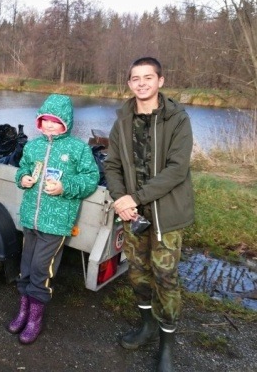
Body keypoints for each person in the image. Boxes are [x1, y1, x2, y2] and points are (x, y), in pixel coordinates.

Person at [103, 56, 194, 372]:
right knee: (138, 272)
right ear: (129, 83)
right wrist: (121, 199)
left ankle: (166, 345)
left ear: (160, 80)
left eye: (148, 77)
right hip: (132, 215)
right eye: (135, 78)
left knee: (165, 277)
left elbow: (177, 169)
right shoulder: (122, 120)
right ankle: (147, 326)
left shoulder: (177, 119)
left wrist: (136, 197)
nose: (141, 83)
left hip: (166, 214)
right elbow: (112, 165)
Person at [8, 94, 99, 344]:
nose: (49, 125)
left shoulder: (78, 149)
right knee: (26, 266)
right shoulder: (33, 146)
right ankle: (23, 310)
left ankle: (35, 318)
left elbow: (90, 179)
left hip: (56, 223)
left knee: (41, 269)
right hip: (31, 218)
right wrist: (23, 179)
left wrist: (64, 187)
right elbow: (23, 169)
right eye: (45, 120)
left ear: (66, 122)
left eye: (55, 121)